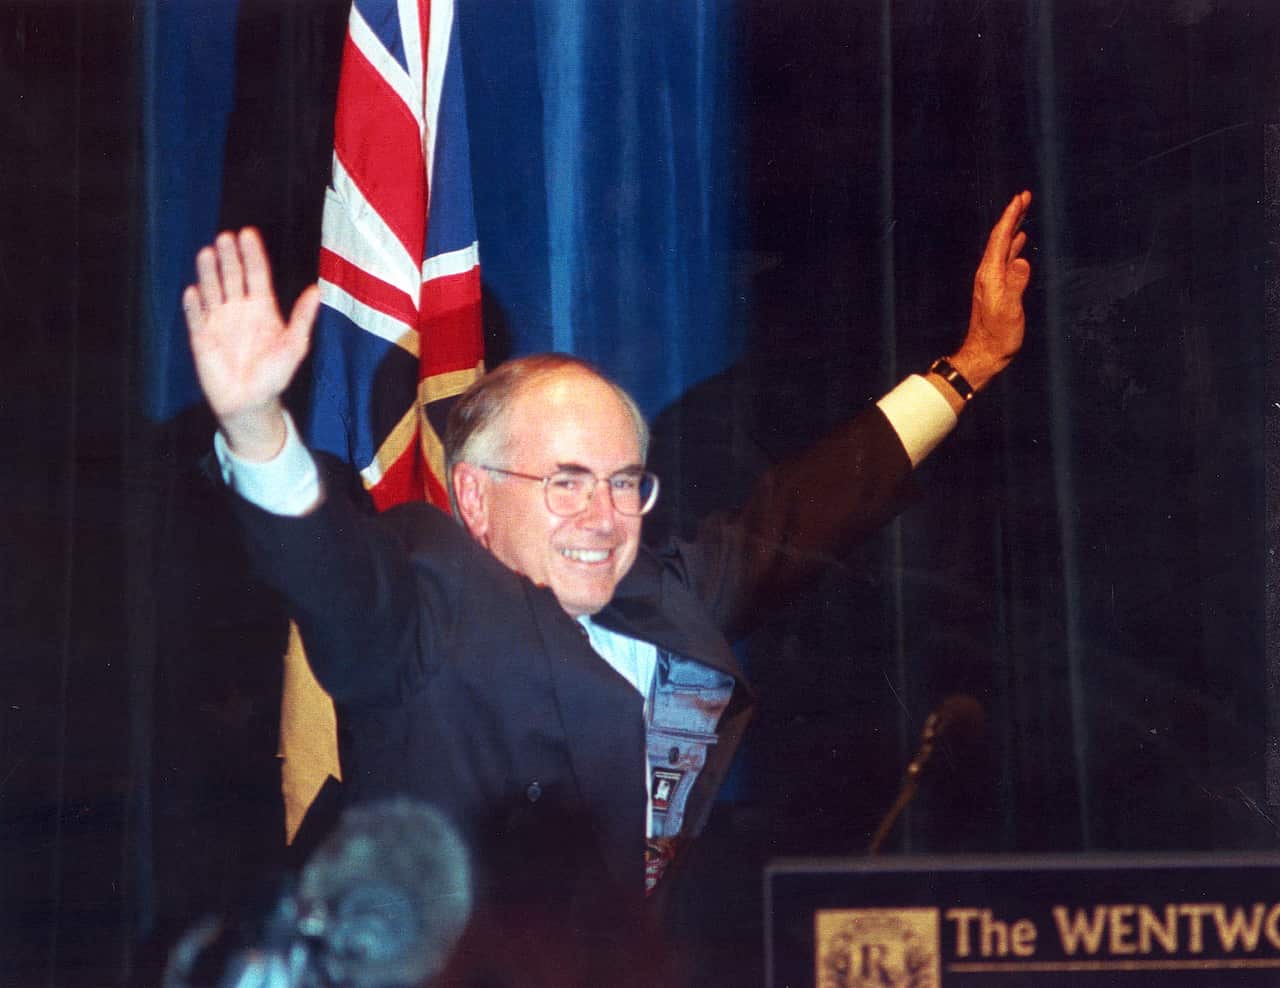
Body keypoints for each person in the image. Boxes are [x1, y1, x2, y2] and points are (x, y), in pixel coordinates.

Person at [183, 191, 1031, 973]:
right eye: (566, 481)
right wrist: (256, 425)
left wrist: (966, 369)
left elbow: (803, 510)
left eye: (625, 481)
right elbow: (333, 574)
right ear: (474, 497)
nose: (602, 514)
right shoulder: (426, 597)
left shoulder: (660, 594)